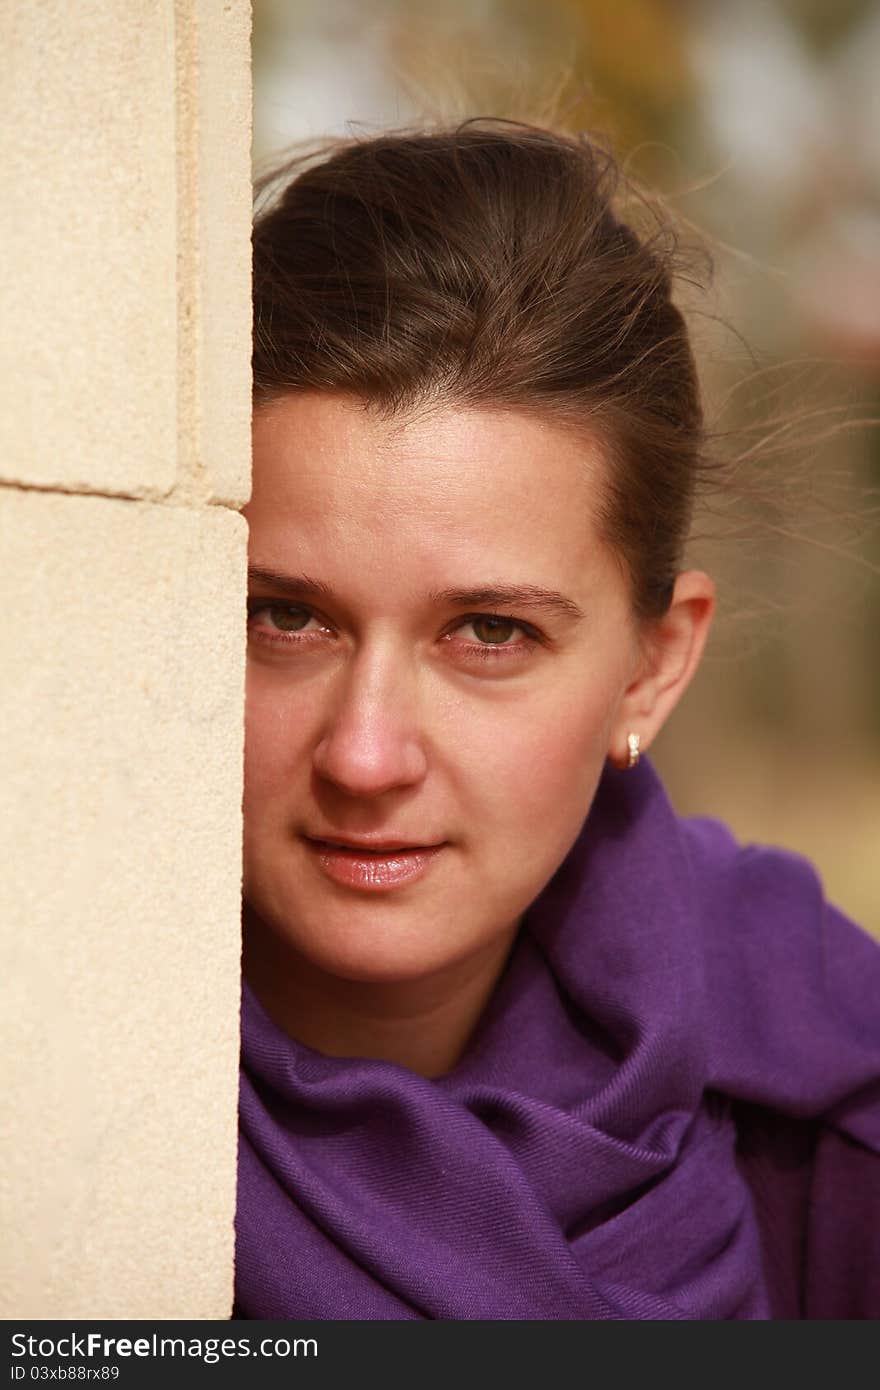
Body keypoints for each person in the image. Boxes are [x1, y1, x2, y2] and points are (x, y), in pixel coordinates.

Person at [234, 120, 880, 1320]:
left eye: (489, 633)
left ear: (651, 667)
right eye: (286, 618)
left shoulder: (829, 1106)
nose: (366, 755)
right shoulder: (50, 1068)